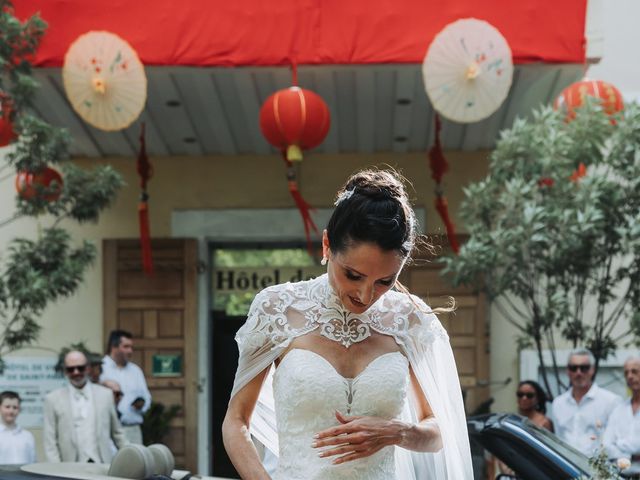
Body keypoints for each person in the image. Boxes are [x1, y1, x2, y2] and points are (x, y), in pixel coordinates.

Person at [222, 169, 472, 479]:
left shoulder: (409, 319)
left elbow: (437, 431)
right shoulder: (278, 309)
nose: (366, 295)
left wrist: (397, 432)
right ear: (327, 245)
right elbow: (235, 421)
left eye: (385, 281)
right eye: (353, 275)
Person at [43, 350, 128, 462]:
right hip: (69, 466)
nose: (76, 372)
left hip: (101, 463)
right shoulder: (52, 399)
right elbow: (50, 440)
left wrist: (130, 457)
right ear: (65, 371)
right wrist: (56, 470)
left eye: (80, 368)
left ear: (88, 368)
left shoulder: (105, 394)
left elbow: (117, 432)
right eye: (71, 369)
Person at [551, 348, 621, 456]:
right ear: (568, 371)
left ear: (592, 370)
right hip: (564, 469)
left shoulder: (611, 401)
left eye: (584, 368)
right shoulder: (558, 404)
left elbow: (615, 442)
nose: (578, 373)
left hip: (597, 470)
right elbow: (559, 440)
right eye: (573, 368)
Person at [101, 330, 151, 444]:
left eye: (131, 347)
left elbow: (147, 397)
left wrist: (141, 404)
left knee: (136, 461)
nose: (130, 351)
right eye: (126, 347)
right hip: (108, 431)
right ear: (114, 347)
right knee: (110, 462)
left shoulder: (135, 370)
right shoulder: (101, 368)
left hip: (133, 429)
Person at [603, 356, 640, 462]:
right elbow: (606, 446)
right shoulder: (618, 410)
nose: (630, 376)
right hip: (621, 475)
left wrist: (620, 444)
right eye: (626, 373)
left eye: (634, 371)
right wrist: (632, 457)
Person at [0, 391, 36, 464]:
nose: (11, 411)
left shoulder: (27, 436)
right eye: (7, 407)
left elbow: (33, 462)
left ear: (19, 409)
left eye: (15, 407)